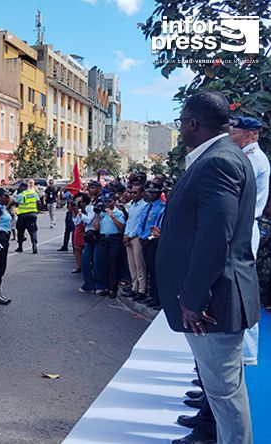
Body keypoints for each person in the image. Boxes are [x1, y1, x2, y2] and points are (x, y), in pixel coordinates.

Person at [156, 91, 259, 444]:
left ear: (193, 123)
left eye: (181, 121)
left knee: (226, 395)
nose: (180, 128)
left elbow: (217, 236)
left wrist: (194, 298)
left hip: (213, 301)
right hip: (214, 298)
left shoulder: (218, 161)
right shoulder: (220, 156)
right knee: (221, 390)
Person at [231, 116, 270, 366]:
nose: (231, 136)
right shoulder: (248, 157)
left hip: (243, 227)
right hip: (242, 226)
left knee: (241, 289)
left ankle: (245, 354)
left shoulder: (252, 159)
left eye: (236, 132)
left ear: (251, 135)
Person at [134, 181, 165, 310]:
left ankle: (158, 299)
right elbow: (142, 223)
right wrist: (141, 236)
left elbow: (158, 227)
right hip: (144, 241)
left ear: (159, 193)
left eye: (154, 193)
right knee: (149, 271)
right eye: (149, 192)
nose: (151, 195)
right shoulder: (147, 207)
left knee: (156, 271)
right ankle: (152, 296)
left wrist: (149, 238)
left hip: (153, 241)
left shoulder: (162, 208)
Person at [92, 194, 126, 298]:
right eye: (105, 202)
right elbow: (96, 228)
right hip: (103, 239)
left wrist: (112, 216)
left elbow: (121, 227)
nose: (107, 203)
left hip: (114, 239)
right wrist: (97, 215)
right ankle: (105, 287)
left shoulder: (118, 213)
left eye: (109, 201)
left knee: (113, 263)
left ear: (114, 201)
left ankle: (112, 288)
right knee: (103, 263)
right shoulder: (102, 213)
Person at [122, 185, 147, 301]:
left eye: (135, 193)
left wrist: (130, 235)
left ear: (142, 194)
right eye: (131, 193)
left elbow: (139, 224)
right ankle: (134, 287)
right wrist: (126, 235)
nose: (132, 195)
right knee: (131, 265)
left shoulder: (144, 206)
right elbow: (129, 221)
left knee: (139, 265)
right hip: (129, 236)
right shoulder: (132, 205)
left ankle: (142, 290)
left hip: (136, 237)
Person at [14, 180, 39, 254]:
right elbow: (39, 202)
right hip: (32, 215)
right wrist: (37, 210)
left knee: (20, 231)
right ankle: (34, 245)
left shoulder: (21, 195)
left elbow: (15, 203)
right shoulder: (34, 193)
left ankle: (20, 247)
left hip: (23, 215)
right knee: (33, 231)